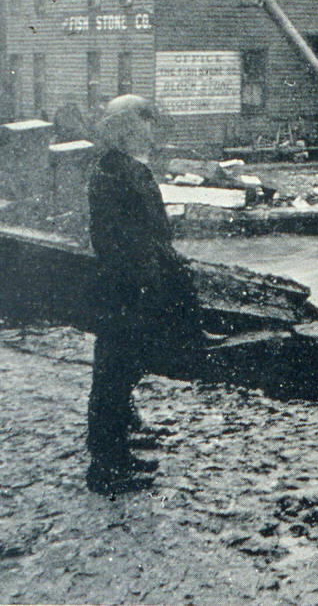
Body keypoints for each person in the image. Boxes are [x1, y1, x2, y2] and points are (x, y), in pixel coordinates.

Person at [86, 95, 203, 495]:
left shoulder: (109, 169)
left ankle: (116, 447)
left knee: (117, 370)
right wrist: (160, 280)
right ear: (128, 128)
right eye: (146, 124)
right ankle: (107, 465)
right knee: (116, 373)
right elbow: (145, 238)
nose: (152, 131)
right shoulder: (127, 174)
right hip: (131, 287)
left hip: (119, 286)